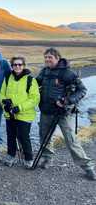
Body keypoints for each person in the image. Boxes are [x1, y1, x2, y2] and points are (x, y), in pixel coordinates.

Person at [37, 48, 96, 180]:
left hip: (64, 113)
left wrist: (67, 100)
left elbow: (82, 90)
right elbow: (35, 83)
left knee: (71, 140)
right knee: (44, 137)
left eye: (50, 57)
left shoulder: (67, 73)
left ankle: (88, 167)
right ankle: (47, 158)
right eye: (46, 57)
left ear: (57, 58)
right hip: (46, 110)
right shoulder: (45, 71)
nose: (47, 59)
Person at [0, 56, 40, 168]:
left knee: (23, 136)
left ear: (23, 66)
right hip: (10, 113)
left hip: (24, 115)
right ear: (12, 66)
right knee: (11, 136)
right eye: (15, 65)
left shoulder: (30, 80)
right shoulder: (8, 78)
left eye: (20, 64)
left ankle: (28, 158)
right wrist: (4, 105)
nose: (17, 66)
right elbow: (2, 93)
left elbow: (35, 98)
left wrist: (20, 108)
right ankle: (11, 156)